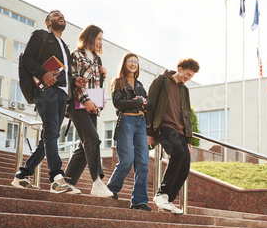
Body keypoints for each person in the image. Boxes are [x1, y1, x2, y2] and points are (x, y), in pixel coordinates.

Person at [11, 10, 80, 194]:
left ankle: (22, 175)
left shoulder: (65, 47)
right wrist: (43, 74)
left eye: (63, 15)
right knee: (51, 133)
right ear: (48, 22)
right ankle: (57, 178)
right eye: (56, 15)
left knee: (49, 136)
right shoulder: (40, 36)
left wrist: (74, 85)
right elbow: (27, 59)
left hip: (61, 94)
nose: (61, 16)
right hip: (46, 90)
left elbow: (64, 74)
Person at [63, 25, 114, 197]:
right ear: (90, 37)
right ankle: (97, 182)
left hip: (92, 106)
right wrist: (87, 101)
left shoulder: (97, 59)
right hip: (78, 104)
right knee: (92, 139)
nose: (101, 42)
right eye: (99, 38)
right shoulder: (76, 55)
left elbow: (95, 85)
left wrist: (103, 75)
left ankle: (66, 182)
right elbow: (76, 81)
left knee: (85, 145)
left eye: (102, 39)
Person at [147, 58, 200, 215]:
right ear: (180, 68)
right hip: (164, 127)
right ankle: (161, 193)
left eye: (191, 76)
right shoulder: (162, 81)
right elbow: (150, 105)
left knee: (185, 166)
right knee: (177, 153)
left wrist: (189, 140)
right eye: (187, 74)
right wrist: (149, 131)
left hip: (181, 132)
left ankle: (167, 200)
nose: (188, 78)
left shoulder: (185, 90)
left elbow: (187, 115)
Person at [107, 53, 152, 210]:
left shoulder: (139, 84)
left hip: (141, 123)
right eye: (130, 61)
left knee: (144, 163)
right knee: (126, 160)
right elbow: (117, 103)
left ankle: (139, 201)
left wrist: (145, 101)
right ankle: (111, 189)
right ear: (124, 63)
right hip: (126, 121)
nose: (133, 64)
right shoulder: (118, 82)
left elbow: (148, 102)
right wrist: (136, 102)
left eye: (136, 62)